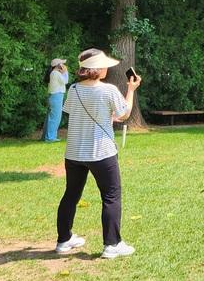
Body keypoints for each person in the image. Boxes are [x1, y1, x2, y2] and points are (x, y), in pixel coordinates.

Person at [55, 49, 141, 260]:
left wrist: (106, 116)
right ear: (97, 68)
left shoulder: (73, 89)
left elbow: (78, 112)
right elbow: (125, 113)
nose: (106, 69)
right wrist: (131, 89)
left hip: (74, 153)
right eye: (103, 65)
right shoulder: (109, 90)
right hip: (101, 152)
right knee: (111, 196)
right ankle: (112, 245)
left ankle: (63, 240)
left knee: (71, 195)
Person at [45, 58, 69, 142]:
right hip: (56, 96)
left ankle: (48, 136)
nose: (64, 65)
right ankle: (50, 138)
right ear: (59, 65)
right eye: (62, 64)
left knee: (51, 117)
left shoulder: (54, 73)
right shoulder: (56, 73)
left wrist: (62, 73)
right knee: (55, 118)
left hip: (54, 96)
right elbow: (66, 81)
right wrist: (65, 72)